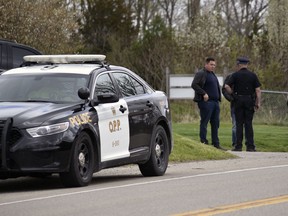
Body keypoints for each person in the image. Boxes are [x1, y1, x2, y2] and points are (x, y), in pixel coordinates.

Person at [224, 57, 261, 152]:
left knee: (239, 123)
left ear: (239, 64)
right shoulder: (253, 75)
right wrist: (258, 102)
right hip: (249, 100)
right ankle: (250, 146)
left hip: (238, 100)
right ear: (247, 65)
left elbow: (226, 86)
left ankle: (238, 146)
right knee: (248, 123)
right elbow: (257, 90)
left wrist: (232, 94)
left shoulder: (235, 75)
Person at [192, 57, 225, 150]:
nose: (213, 66)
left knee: (215, 123)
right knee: (204, 122)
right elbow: (194, 84)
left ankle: (216, 143)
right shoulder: (201, 73)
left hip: (215, 102)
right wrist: (203, 93)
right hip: (206, 103)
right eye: (211, 64)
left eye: (214, 65)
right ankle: (203, 142)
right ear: (206, 64)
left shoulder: (212, 74)